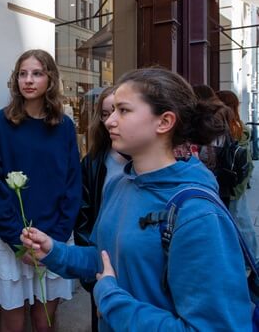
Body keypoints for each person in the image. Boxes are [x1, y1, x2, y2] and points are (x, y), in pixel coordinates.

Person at [21, 67, 252, 331]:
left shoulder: (198, 214)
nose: (109, 121)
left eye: (124, 110)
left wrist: (111, 300)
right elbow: (105, 259)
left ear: (164, 122)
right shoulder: (121, 184)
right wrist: (53, 251)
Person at [0, 49, 82, 332]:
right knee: (12, 322)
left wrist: (54, 241)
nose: (29, 80)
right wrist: (18, 242)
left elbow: (73, 186)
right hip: (11, 239)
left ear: (50, 79)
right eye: (22, 73)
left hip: (53, 236)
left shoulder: (64, 127)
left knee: (44, 322)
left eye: (37, 73)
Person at [74, 86, 128, 332]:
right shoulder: (94, 161)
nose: (110, 121)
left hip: (132, 258)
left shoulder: (143, 159)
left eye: (120, 111)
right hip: (101, 260)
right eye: (105, 114)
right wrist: (89, 271)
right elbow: (83, 213)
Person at [216, 89, 257, 260]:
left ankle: (252, 258)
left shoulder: (233, 129)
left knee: (241, 218)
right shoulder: (239, 126)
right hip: (237, 180)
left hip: (232, 183)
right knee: (240, 217)